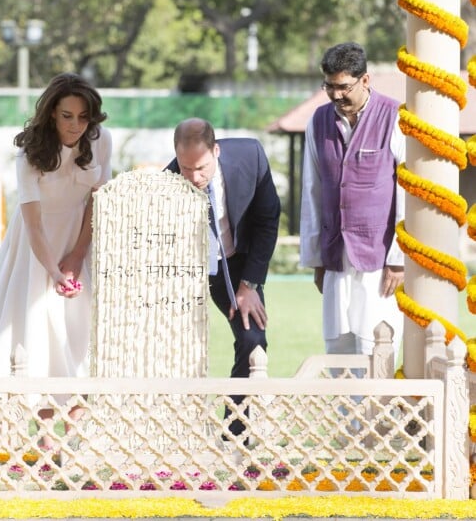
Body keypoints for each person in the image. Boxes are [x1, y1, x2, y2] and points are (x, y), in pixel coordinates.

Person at [0, 72, 112, 382]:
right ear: (52, 112)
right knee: (35, 330)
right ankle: (43, 424)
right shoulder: (29, 153)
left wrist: (78, 254)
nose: (75, 125)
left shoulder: (100, 139)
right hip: (34, 245)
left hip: (80, 237)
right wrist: (54, 273)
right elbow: (34, 226)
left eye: (83, 117)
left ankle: (76, 415)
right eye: (67, 116)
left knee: (79, 331)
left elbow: (98, 201)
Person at [166, 118, 280, 438]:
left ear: (216, 150)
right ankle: (182, 431)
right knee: (178, 348)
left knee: (252, 338)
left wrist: (250, 285)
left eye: (201, 168)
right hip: (189, 269)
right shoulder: (169, 180)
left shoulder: (251, 156)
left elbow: (267, 220)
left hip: (238, 264)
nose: (194, 177)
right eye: (185, 168)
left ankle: (234, 431)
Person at [299, 42, 405, 362]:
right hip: (335, 256)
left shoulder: (394, 117)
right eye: (329, 86)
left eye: (343, 87)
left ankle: (378, 414)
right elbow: (312, 191)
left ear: (365, 80)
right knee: (338, 348)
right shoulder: (318, 122)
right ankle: (349, 415)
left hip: (379, 256)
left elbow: (407, 191)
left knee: (376, 343)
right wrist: (317, 258)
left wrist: (399, 258)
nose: (336, 95)